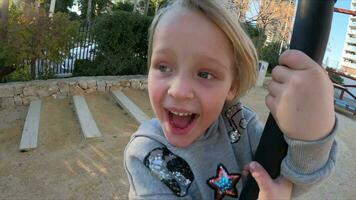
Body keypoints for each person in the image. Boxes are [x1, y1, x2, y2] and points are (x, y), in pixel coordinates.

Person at [124, 0, 337, 199]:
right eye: (163, 67)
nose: (179, 90)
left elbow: (292, 180)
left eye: (205, 74)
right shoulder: (146, 155)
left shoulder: (238, 123)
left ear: (232, 87)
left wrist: (312, 136)